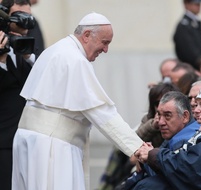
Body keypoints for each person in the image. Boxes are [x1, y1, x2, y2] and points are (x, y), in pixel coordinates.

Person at [11, 12, 144, 190]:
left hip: (32, 142)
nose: (105, 50)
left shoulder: (55, 50)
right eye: (105, 42)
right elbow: (103, 114)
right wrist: (138, 148)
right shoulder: (75, 60)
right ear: (87, 35)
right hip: (52, 148)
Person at [98, 83, 180, 190]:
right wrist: (152, 126)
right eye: (157, 103)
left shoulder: (180, 120)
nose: (161, 106)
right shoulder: (149, 119)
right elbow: (135, 140)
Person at [117, 91, 200, 190]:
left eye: (167, 115)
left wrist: (149, 157)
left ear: (185, 116)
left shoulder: (187, 140)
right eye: (159, 115)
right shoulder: (178, 134)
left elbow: (171, 175)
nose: (160, 122)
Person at [0, 0, 36, 189]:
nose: (26, 23)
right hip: (3, 141)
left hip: (26, 139)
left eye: (29, 17)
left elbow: (44, 75)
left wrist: (28, 56)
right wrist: (1, 61)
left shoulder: (31, 41)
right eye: (19, 17)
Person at [173, 0, 201, 71]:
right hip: (193, 69)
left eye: (199, 4)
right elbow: (190, 53)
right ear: (186, 4)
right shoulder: (184, 26)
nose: (198, 6)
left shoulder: (195, 22)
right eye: (195, 4)